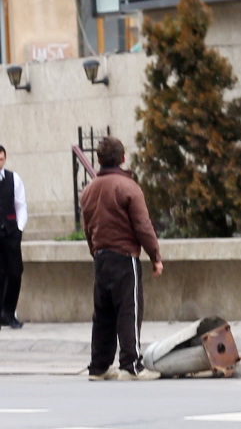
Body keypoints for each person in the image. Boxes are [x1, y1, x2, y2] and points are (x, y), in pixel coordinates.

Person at [80, 137, 163, 381]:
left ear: (98, 159)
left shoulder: (88, 190)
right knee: (130, 309)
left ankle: (99, 366)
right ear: (123, 158)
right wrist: (155, 256)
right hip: (125, 257)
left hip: (101, 257)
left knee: (103, 313)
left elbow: (88, 228)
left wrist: (95, 250)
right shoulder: (128, 187)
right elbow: (142, 225)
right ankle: (131, 365)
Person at [0, 146, 27, 329]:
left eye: (1, 159)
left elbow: (21, 205)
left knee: (15, 272)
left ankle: (9, 312)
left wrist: (19, 227)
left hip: (10, 233)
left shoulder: (13, 179)